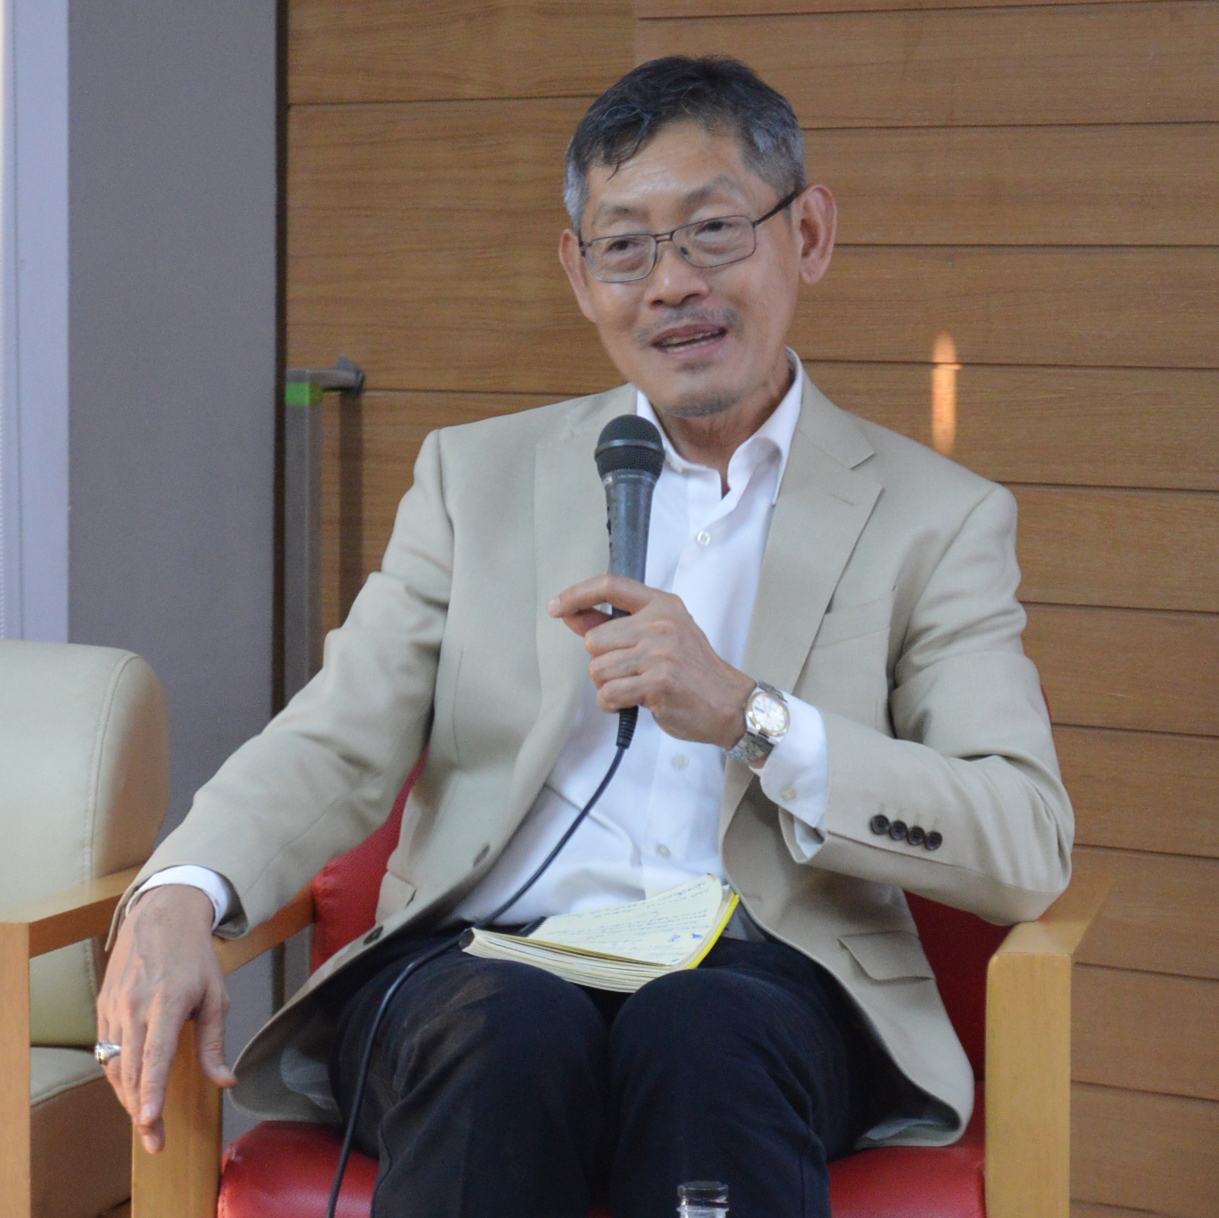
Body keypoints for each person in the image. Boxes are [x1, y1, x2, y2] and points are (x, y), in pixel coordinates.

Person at [97, 56, 1072, 1218]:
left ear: (806, 234)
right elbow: (335, 738)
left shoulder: (935, 518)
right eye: (625, 246)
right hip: (480, 968)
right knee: (510, 1030)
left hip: (767, 983)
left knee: (703, 1029)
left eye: (713, 231)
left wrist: (754, 718)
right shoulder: (476, 478)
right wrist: (181, 891)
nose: (671, 284)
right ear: (577, 270)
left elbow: (1022, 838)